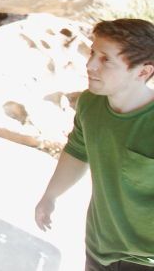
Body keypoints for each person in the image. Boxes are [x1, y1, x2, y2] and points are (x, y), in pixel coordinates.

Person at [35, 18, 154, 270]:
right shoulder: (90, 103)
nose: (90, 65)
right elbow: (78, 150)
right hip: (99, 249)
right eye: (92, 52)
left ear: (143, 72)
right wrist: (51, 195)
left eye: (106, 59)